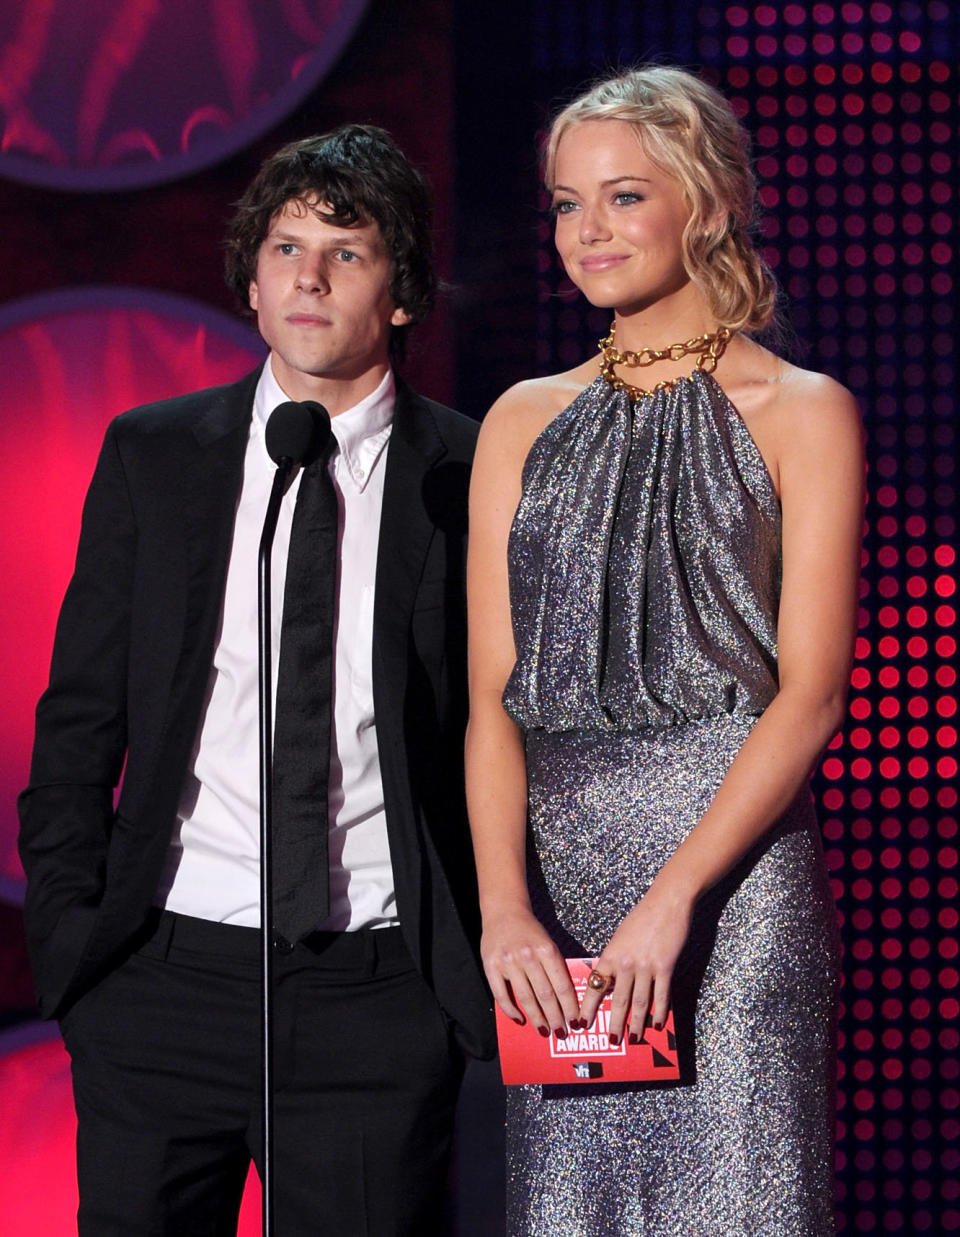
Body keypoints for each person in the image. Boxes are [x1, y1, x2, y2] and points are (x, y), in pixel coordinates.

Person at [19, 124, 494, 1236]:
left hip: (376, 996)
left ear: (405, 290)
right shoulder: (156, 453)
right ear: (249, 275)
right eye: (285, 248)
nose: (309, 278)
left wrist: (446, 991)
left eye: (346, 250)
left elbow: (501, 727)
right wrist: (77, 958)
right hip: (161, 982)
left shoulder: (472, 471)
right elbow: (81, 719)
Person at [466, 66, 862, 1234]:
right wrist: (504, 909)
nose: (588, 232)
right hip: (559, 905)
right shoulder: (522, 417)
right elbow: (494, 700)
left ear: (709, 200)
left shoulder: (801, 408)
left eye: (624, 196)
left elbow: (811, 694)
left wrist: (675, 897)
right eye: (565, 203)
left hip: (733, 889)